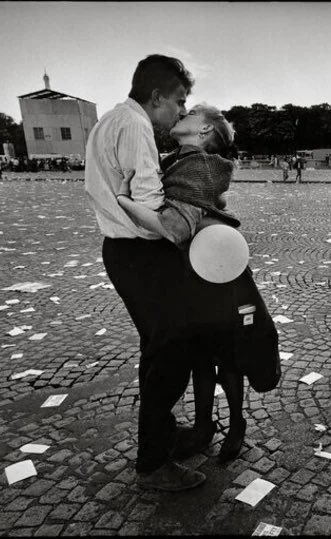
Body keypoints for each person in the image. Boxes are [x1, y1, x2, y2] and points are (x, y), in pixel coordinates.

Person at [84, 54, 206, 492]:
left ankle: (163, 436)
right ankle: (153, 463)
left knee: (159, 350)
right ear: (155, 97)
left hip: (120, 252)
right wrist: (191, 220)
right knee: (173, 352)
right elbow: (150, 203)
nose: (180, 110)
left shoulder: (109, 120)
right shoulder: (135, 126)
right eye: (177, 101)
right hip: (143, 254)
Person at [115, 103, 254, 464]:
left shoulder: (203, 166)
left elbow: (176, 227)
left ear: (205, 131)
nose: (182, 114)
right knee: (198, 354)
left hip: (217, 270)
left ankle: (235, 424)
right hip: (191, 271)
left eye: (191, 113)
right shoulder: (176, 158)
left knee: (228, 353)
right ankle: (204, 426)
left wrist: (121, 200)